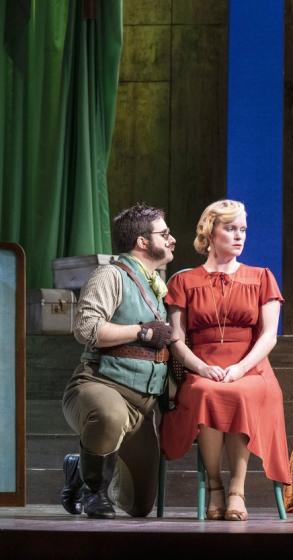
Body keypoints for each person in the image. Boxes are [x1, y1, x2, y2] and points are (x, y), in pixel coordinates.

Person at [160, 199, 290, 521]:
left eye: (243, 229)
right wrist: (202, 367)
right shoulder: (184, 282)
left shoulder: (261, 277)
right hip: (202, 367)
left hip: (251, 369)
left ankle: (237, 490)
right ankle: (215, 485)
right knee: (206, 392)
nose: (239, 235)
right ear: (210, 232)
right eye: (230, 228)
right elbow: (175, 339)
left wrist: (240, 368)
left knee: (240, 393)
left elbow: (269, 336)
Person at [61, 203, 176, 518]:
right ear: (142, 241)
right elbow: (86, 328)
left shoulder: (155, 285)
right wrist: (141, 332)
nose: (172, 239)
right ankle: (94, 491)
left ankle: (79, 468)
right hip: (100, 385)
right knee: (109, 415)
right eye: (164, 233)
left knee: (139, 505)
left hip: (143, 406)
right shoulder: (110, 274)